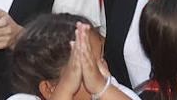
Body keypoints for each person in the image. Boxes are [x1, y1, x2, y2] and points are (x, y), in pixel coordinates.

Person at [8, 13, 138, 100]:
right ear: (49, 89)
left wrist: (101, 88)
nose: (102, 71)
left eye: (102, 58)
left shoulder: (109, 90)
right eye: (87, 68)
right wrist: (65, 90)